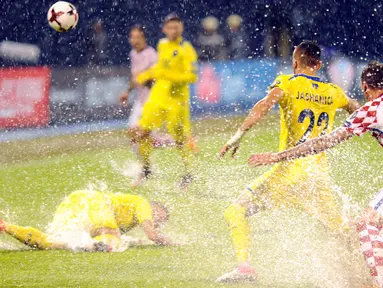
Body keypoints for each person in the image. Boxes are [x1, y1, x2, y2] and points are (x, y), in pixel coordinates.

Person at [217, 40, 360, 282]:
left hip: (289, 172)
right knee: (341, 231)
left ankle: (244, 268)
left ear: (295, 63)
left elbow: (264, 105)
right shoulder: (334, 92)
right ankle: (370, 265)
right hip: (317, 176)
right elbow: (357, 111)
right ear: (319, 64)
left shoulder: (288, 82)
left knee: (235, 210)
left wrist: (239, 134)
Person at [247, 61, 383, 287]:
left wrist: (279, 156)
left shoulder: (371, 110)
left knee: (368, 222)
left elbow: (325, 142)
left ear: (365, 87)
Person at [133, 13, 198, 188]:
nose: (173, 30)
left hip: (177, 101)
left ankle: (188, 174)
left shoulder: (186, 48)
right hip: (158, 96)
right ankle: (146, 168)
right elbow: (160, 67)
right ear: (164, 29)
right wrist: (147, 75)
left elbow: (191, 76)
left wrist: (168, 75)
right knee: (142, 132)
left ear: (181, 28)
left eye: (176, 26)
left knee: (180, 139)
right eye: (169, 27)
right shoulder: (162, 45)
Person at [0, 190, 171, 252]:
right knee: (111, 236)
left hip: (74, 202)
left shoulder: (129, 216)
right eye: (161, 216)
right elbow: (152, 235)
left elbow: (145, 234)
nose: (159, 221)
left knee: (54, 242)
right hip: (93, 200)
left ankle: (5, 226)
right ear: (154, 207)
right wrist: (170, 242)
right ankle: (96, 246)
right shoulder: (142, 203)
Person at [119, 25, 173, 154]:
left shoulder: (151, 54)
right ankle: (146, 165)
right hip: (140, 100)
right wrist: (127, 91)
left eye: (137, 37)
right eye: (132, 37)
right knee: (134, 133)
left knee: (141, 133)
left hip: (152, 100)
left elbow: (156, 80)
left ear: (144, 38)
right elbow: (135, 77)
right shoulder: (133, 54)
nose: (134, 40)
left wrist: (145, 78)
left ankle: (176, 141)